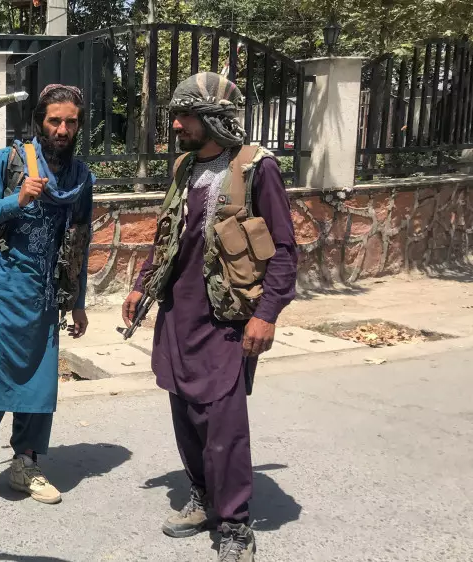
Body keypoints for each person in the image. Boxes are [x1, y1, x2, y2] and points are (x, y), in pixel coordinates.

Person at [122, 72, 297, 562]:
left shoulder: (257, 168)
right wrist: (141, 285)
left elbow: (285, 249)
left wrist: (267, 314)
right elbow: (167, 236)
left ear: (215, 118)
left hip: (228, 318)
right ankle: (202, 496)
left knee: (223, 424)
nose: (176, 124)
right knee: (185, 413)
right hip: (179, 314)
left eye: (185, 116)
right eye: (175, 115)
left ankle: (236, 524)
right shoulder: (183, 166)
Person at [0, 84, 95, 510]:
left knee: (38, 389)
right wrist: (16, 200)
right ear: (39, 122)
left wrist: (77, 301)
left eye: (71, 122)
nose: (63, 130)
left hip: (44, 297)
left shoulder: (80, 178)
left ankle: (25, 464)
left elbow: (80, 241)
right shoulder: (8, 161)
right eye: (55, 121)